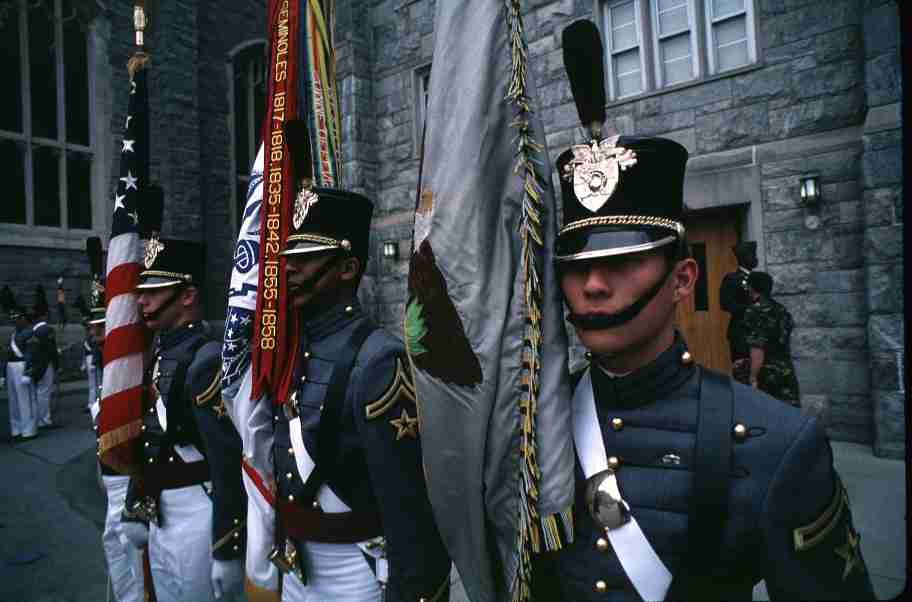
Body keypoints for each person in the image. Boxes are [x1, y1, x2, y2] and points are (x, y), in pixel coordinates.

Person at [530, 18, 874, 601]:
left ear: (682, 278)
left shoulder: (778, 444)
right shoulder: (539, 423)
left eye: (623, 264)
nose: (592, 285)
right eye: (575, 266)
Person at [264, 120, 451, 601]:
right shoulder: (293, 349)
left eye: (307, 258)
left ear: (347, 268)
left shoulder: (377, 361)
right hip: (297, 563)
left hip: (355, 570)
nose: (290, 268)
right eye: (289, 256)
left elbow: (407, 506)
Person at [119, 230, 247, 602]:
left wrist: (227, 544)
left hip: (197, 510)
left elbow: (226, 463)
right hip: (162, 511)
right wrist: (136, 502)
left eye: (154, 292)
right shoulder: (162, 350)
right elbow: (150, 435)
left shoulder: (205, 360)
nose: (142, 301)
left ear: (187, 296)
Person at [84, 236, 145, 602]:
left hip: (130, 483)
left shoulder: (128, 361)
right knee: (117, 560)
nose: (94, 332)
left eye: (100, 326)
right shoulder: (109, 363)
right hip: (112, 483)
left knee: (137, 571)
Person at [742, 271, 801, 406]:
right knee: (788, 415)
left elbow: (757, 348)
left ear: (751, 287)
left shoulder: (755, 311)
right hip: (786, 370)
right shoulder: (781, 309)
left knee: (764, 416)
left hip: (767, 374)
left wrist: (752, 377)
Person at [720, 241, 758, 384]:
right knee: (743, 376)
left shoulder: (759, 279)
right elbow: (725, 304)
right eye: (751, 255)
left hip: (759, 333)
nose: (755, 258)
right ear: (742, 257)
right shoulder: (732, 279)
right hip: (741, 333)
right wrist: (750, 308)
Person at [5, 304, 38, 441]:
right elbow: (7, 354)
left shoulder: (29, 333)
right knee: (13, 401)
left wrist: (27, 373)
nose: (15, 321)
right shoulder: (14, 334)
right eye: (13, 318)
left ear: (24, 319)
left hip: (21, 366)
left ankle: (28, 430)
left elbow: (30, 353)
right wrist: (2, 374)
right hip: (11, 367)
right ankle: (16, 429)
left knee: (24, 400)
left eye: (17, 318)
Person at [27, 286, 58, 429]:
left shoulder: (32, 330)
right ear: (44, 315)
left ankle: (38, 419)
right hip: (46, 364)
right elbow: (51, 350)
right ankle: (44, 420)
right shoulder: (47, 329)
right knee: (45, 392)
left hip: (35, 364)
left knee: (37, 392)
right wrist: (58, 365)